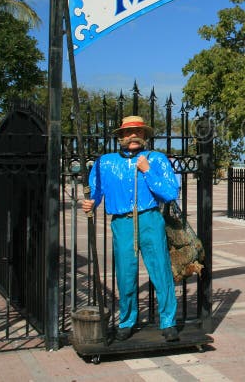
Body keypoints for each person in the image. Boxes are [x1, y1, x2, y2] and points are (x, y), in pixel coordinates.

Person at [81, 115, 180, 342]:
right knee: (125, 273)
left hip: (150, 219)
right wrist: (90, 202)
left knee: (160, 270)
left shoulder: (156, 159)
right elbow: (95, 192)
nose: (133, 136)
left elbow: (170, 192)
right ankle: (126, 320)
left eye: (138, 131)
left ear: (144, 135)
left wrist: (147, 170)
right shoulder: (105, 162)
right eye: (127, 132)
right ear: (120, 137)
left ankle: (169, 321)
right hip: (122, 222)